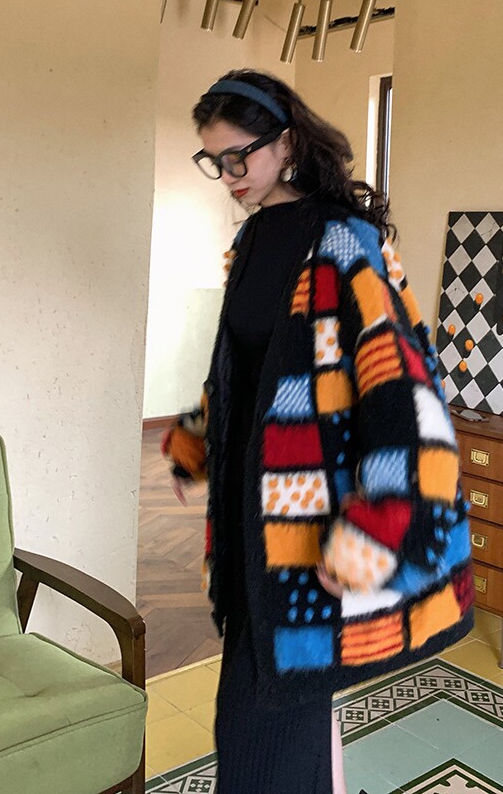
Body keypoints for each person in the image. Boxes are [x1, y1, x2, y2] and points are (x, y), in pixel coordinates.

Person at [162, 69, 474, 794]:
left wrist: (376, 528)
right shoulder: (251, 241)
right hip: (248, 518)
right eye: (214, 160)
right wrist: (195, 441)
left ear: (288, 143)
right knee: (270, 714)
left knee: (259, 731)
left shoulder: (343, 243)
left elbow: (407, 397)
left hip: (310, 526)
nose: (228, 176)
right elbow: (243, 371)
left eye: (239, 156)